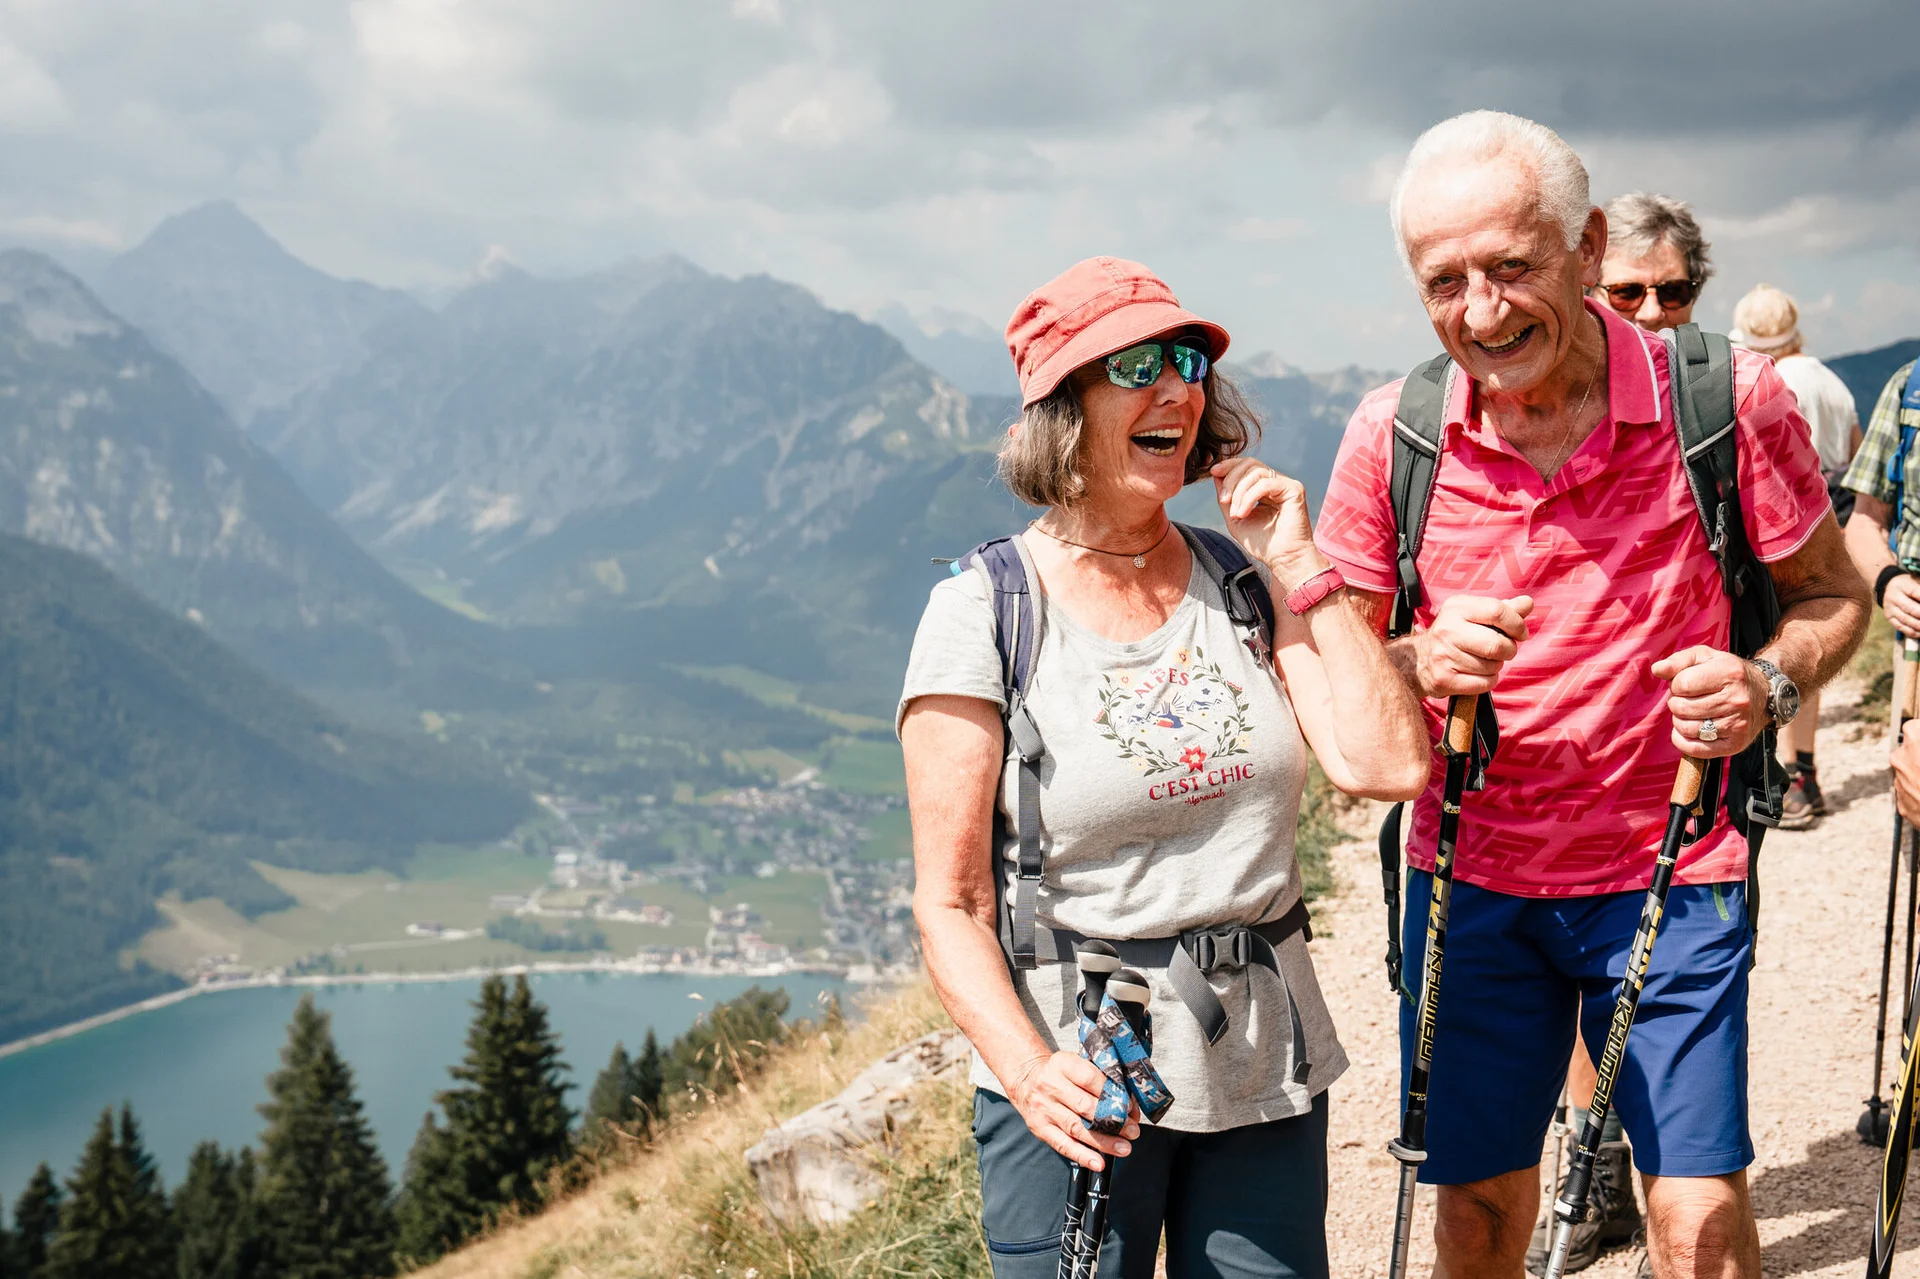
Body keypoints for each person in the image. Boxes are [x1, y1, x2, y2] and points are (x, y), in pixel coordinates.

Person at [1315, 111, 1869, 1279]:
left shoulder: (1725, 400)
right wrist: (1415, 660)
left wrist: (1768, 681)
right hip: (1469, 875)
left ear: (1588, 247)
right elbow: (1336, 675)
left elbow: (1830, 593)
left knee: (1699, 1219)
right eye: (1444, 281)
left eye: (1512, 267)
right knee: (1472, 1213)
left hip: (1676, 861)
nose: (1481, 312)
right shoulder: (1393, 436)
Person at [900, 256, 1429, 1279]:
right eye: (1136, 364)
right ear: (1064, 407)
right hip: (1080, 1071)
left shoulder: (1242, 581)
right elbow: (949, 902)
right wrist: (1027, 1070)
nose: (1177, 388)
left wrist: (1302, 562)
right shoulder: (986, 610)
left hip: (1261, 1054)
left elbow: (1386, 762)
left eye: (1188, 360)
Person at [1531, 190, 1721, 1274]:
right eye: (1630, 290)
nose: (1653, 309)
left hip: (1696, 769)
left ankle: (1668, 1205)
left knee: (1671, 1006)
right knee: (1573, 988)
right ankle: (1589, 1160)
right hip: (1568, 771)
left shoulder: (1723, 410)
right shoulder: (1543, 404)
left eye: (1676, 290)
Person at [1731, 284, 1861, 830]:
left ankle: (1789, 771)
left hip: (1791, 519)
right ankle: (1806, 766)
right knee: (1822, 628)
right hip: (1840, 509)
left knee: (1791, 639)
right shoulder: (1830, 379)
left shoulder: (1772, 380)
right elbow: (1853, 450)